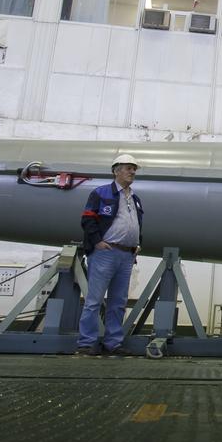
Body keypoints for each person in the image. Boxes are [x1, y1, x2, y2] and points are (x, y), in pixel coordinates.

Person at [76, 153, 143, 357]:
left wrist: (138, 244)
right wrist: (98, 241)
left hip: (126, 255)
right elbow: (88, 219)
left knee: (118, 302)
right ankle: (87, 342)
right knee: (94, 300)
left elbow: (136, 224)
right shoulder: (101, 193)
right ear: (116, 171)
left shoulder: (135, 198)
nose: (132, 172)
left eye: (134, 168)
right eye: (128, 168)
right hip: (105, 252)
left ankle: (113, 343)